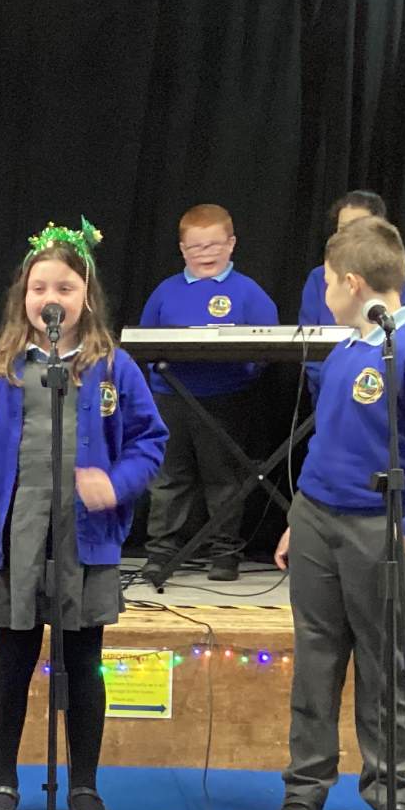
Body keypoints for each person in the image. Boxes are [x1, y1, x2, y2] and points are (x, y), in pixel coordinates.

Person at [0, 220, 167, 810]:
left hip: (86, 542)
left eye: (65, 288)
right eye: (39, 287)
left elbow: (151, 441)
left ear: (87, 297)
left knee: (83, 662)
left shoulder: (114, 368)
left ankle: (84, 788)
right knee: (12, 661)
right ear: (23, 297)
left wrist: (116, 483)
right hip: (15, 540)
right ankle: (1, 784)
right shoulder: (1, 370)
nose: (51, 298)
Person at [272, 217, 405, 810]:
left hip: (376, 529)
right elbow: (331, 444)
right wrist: (297, 518)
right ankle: (305, 789)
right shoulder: (346, 351)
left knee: (384, 667)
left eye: (328, 281)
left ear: (353, 283)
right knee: (315, 659)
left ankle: (390, 794)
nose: (324, 291)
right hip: (317, 522)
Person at [137, 204, 278, 581]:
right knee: (169, 478)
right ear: (182, 250)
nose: (206, 254)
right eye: (197, 247)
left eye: (214, 245)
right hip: (170, 398)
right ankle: (161, 552)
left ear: (231, 244)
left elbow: (269, 345)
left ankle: (224, 553)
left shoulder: (247, 292)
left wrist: (245, 372)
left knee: (224, 480)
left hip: (226, 399)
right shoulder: (166, 292)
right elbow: (143, 342)